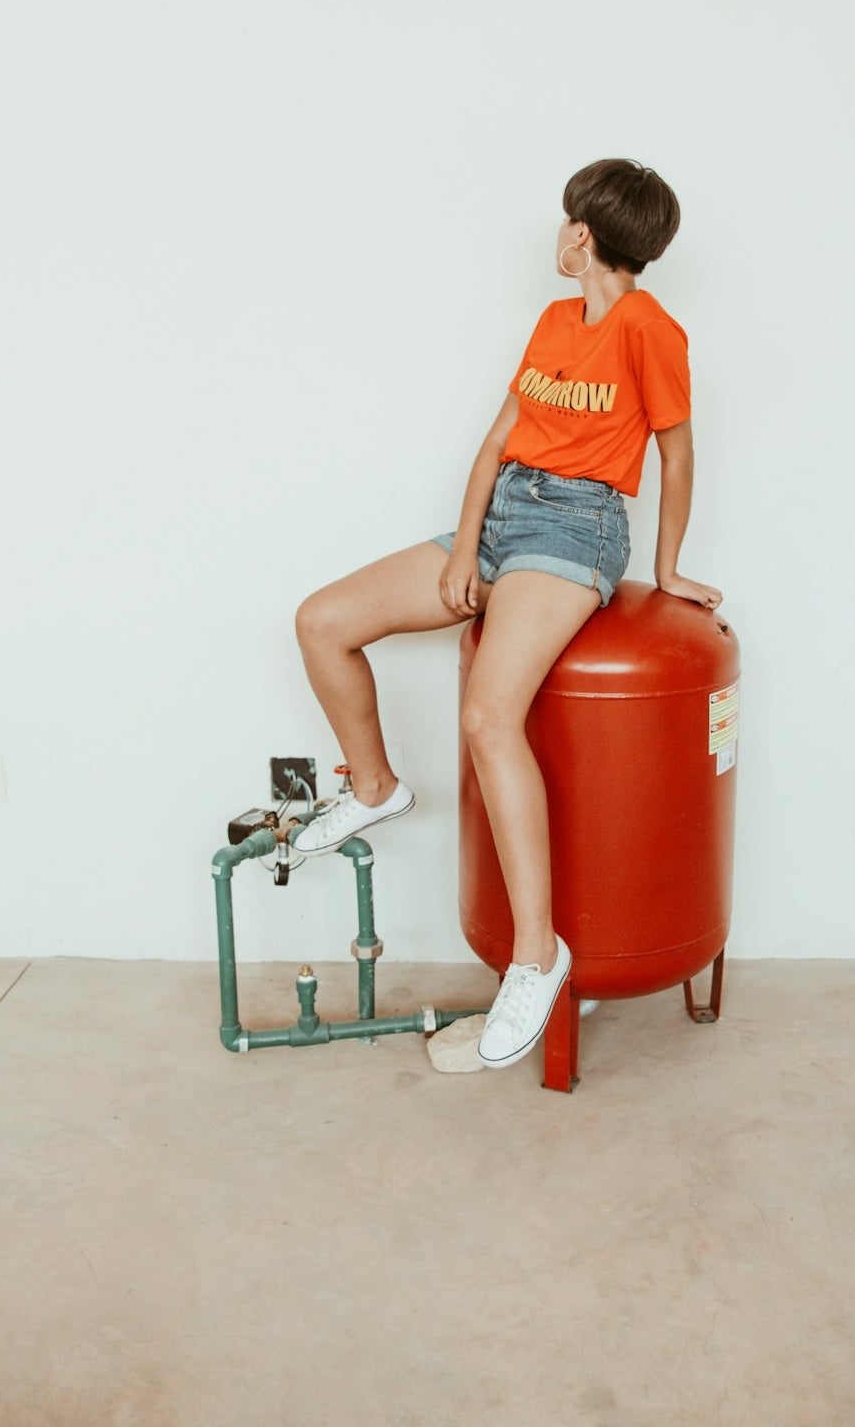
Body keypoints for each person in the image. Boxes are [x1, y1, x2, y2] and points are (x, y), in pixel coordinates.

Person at [292, 158, 723, 1069]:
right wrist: (461, 549)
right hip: (502, 516)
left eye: (568, 221)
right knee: (323, 620)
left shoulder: (652, 330)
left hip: (578, 527)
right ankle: (375, 787)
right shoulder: (553, 320)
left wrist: (668, 568)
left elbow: (677, 457)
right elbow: (497, 439)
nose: (557, 234)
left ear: (585, 237)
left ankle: (538, 954)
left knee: (489, 715)